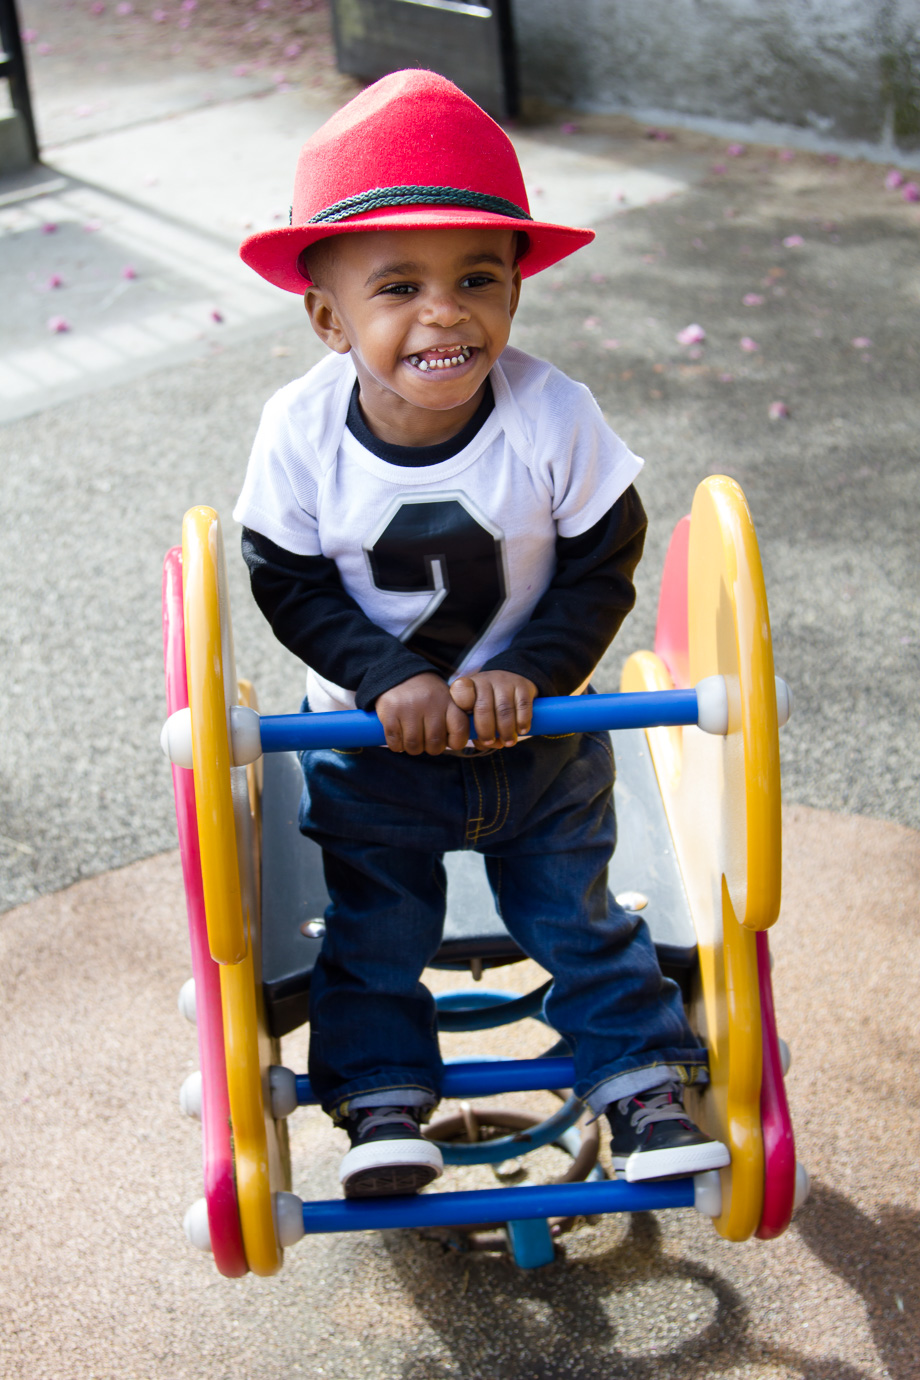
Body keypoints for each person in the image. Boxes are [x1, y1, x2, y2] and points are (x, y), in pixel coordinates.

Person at [233, 69, 729, 1198]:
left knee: (579, 915)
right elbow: (287, 577)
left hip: (540, 741)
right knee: (371, 927)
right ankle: (382, 1104)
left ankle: (643, 1084)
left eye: (476, 279)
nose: (444, 313)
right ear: (326, 316)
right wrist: (381, 678)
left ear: (514, 291)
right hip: (370, 754)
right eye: (397, 287)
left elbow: (603, 556)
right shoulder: (300, 429)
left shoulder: (552, 413)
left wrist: (530, 668)